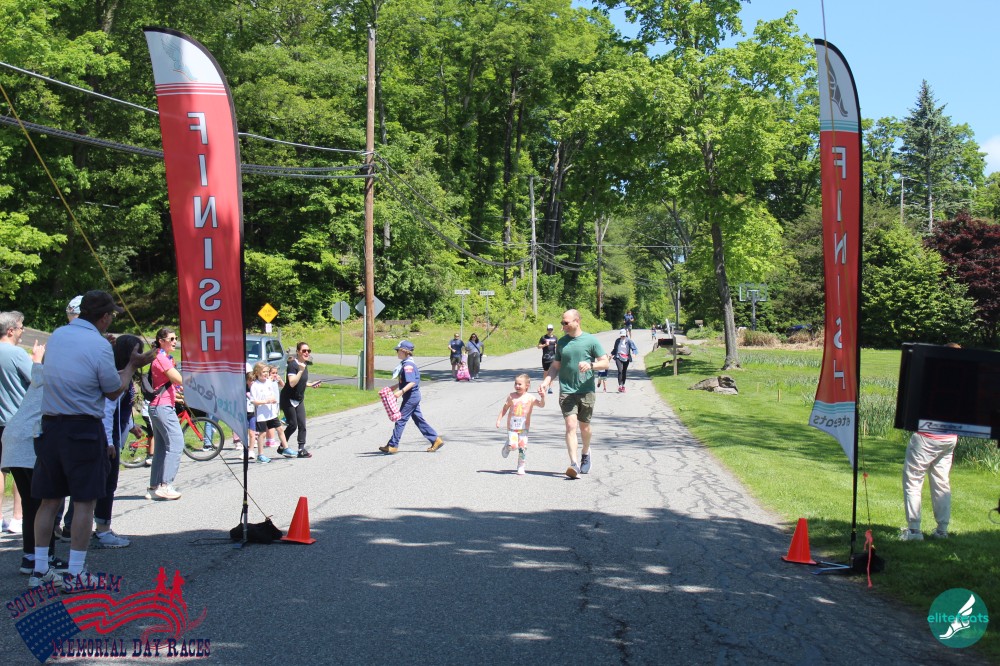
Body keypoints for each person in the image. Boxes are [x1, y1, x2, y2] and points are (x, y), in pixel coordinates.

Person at [30, 290, 156, 591]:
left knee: (49, 501)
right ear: (104, 317)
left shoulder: (57, 335)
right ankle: (75, 571)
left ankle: (40, 569)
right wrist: (132, 365)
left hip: (51, 425)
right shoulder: (99, 345)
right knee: (85, 501)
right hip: (83, 427)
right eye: (110, 315)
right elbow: (113, 390)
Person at [0, 338, 66, 576]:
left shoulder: (39, 373)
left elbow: (37, 365)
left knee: (31, 505)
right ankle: (45, 558)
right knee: (46, 504)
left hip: (13, 438)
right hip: (30, 441)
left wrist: (38, 357)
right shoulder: (58, 380)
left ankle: (29, 558)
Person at [900, 342, 963, 542]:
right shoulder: (962, 380)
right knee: (941, 483)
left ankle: (914, 530)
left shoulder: (934, 376)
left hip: (926, 437)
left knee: (913, 480)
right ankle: (942, 530)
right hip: (949, 439)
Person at [539, 309, 609, 479]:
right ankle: (574, 464)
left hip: (586, 391)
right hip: (567, 391)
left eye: (566, 323)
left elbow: (605, 362)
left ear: (577, 321)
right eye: (562, 322)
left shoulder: (591, 340)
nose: (563, 326)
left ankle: (586, 451)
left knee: (585, 427)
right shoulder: (562, 343)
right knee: (571, 426)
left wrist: (591, 365)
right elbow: (556, 366)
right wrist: (547, 381)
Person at [92, 334, 145, 548]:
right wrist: (109, 442)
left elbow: (121, 407)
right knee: (106, 484)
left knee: (102, 484)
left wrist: (130, 425)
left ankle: (85, 526)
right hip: (108, 437)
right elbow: (107, 409)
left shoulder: (125, 374)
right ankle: (102, 531)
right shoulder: (116, 375)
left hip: (114, 433)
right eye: (138, 351)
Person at [379, 340, 444, 454]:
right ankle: (435, 440)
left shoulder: (408, 365)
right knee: (418, 419)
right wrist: (394, 387)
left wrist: (401, 392)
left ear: (405, 351)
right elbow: (405, 381)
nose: (397, 352)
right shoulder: (406, 364)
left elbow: (412, 382)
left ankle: (393, 445)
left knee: (400, 419)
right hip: (412, 396)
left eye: (398, 350)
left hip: (411, 396)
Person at [0, 311, 32, 536]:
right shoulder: (17, 353)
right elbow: (37, 379)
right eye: (21, 328)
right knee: (21, 469)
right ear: (10, 330)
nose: (23, 332)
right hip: (17, 419)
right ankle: (18, 517)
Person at [147, 328, 184, 501]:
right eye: (171, 339)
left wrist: (178, 397)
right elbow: (178, 379)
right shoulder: (161, 358)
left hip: (160, 405)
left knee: (161, 448)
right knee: (176, 443)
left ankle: (154, 487)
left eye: (176, 338)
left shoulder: (161, 357)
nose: (175, 341)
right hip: (162, 407)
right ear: (161, 341)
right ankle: (165, 485)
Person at [495, 373, 545, 475]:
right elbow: (504, 409)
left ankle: (521, 466)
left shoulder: (530, 398)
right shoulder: (511, 396)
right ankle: (507, 446)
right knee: (514, 446)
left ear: (527, 386)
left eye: (519, 384)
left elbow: (541, 405)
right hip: (512, 428)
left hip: (524, 428)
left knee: (522, 447)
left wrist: (543, 397)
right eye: (516, 384)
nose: (517, 386)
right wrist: (499, 420)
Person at [280, 342, 321, 459]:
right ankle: (282, 446)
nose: (307, 353)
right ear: (298, 352)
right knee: (293, 425)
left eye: (308, 351)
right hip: (288, 398)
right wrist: (300, 371)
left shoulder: (304, 365)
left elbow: (301, 381)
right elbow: (292, 383)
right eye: (304, 351)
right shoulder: (293, 365)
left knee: (302, 424)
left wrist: (311, 384)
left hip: (299, 399)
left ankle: (301, 449)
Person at [250, 362, 279, 463]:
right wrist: (265, 401)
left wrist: (273, 400)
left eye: (267, 371)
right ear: (257, 372)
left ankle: (285, 447)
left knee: (279, 428)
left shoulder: (268, 382)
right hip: (261, 414)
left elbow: (272, 394)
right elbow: (254, 401)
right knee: (262, 434)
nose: (266, 373)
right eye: (263, 372)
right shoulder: (255, 385)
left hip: (270, 412)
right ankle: (260, 455)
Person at [537, 324, 557, 394]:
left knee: (551, 372)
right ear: (547, 329)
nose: (550, 331)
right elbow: (538, 346)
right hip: (545, 358)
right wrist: (545, 345)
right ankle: (544, 386)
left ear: (553, 330)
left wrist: (557, 346)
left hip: (553, 357)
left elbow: (557, 345)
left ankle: (550, 388)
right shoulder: (543, 337)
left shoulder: (555, 338)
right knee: (546, 372)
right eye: (548, 329)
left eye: (551, 329)